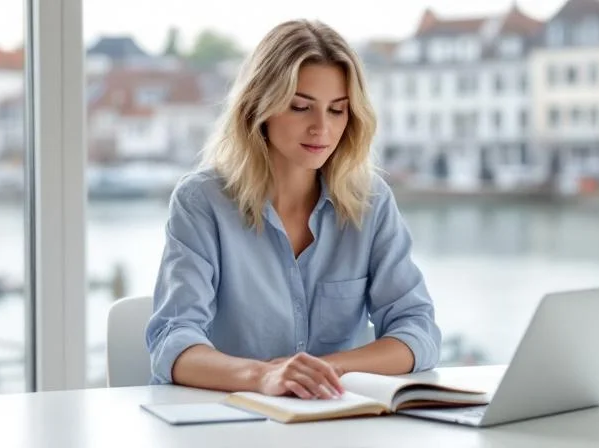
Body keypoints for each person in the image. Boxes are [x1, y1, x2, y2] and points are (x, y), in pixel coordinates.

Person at [145, 19, 441, 400]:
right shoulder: (202, 202)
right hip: (227, 423)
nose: (322, 127)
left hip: (338, 423)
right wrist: (263, 376)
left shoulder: (371, 202)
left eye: (337, 110)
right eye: (301, 107)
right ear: (259, 107)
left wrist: (321, 372)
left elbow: (417, 330)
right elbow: (172, 340)